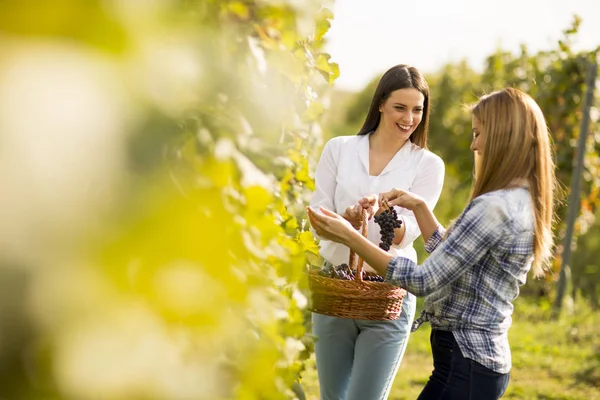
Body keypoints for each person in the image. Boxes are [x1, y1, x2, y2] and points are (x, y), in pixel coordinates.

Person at [307, 87, 556, 399]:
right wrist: (420, 208)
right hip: (472, 361)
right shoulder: (518, 200)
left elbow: (423, 280)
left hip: (466, 362)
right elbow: (452, 259)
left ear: (504, 136)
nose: (473, 144)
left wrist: (351, 237)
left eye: (479, 134)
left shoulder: (492, 208)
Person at [309, 64, 445, 400]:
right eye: (400, 107)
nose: (409, 118)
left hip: (389, 295)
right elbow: (318, 219)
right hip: (335, 287)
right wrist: (350, 216)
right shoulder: (338, 149)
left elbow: (406, 235)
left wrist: (384, 216)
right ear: (381, 103)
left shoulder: (428, 164)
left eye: (417, 110)